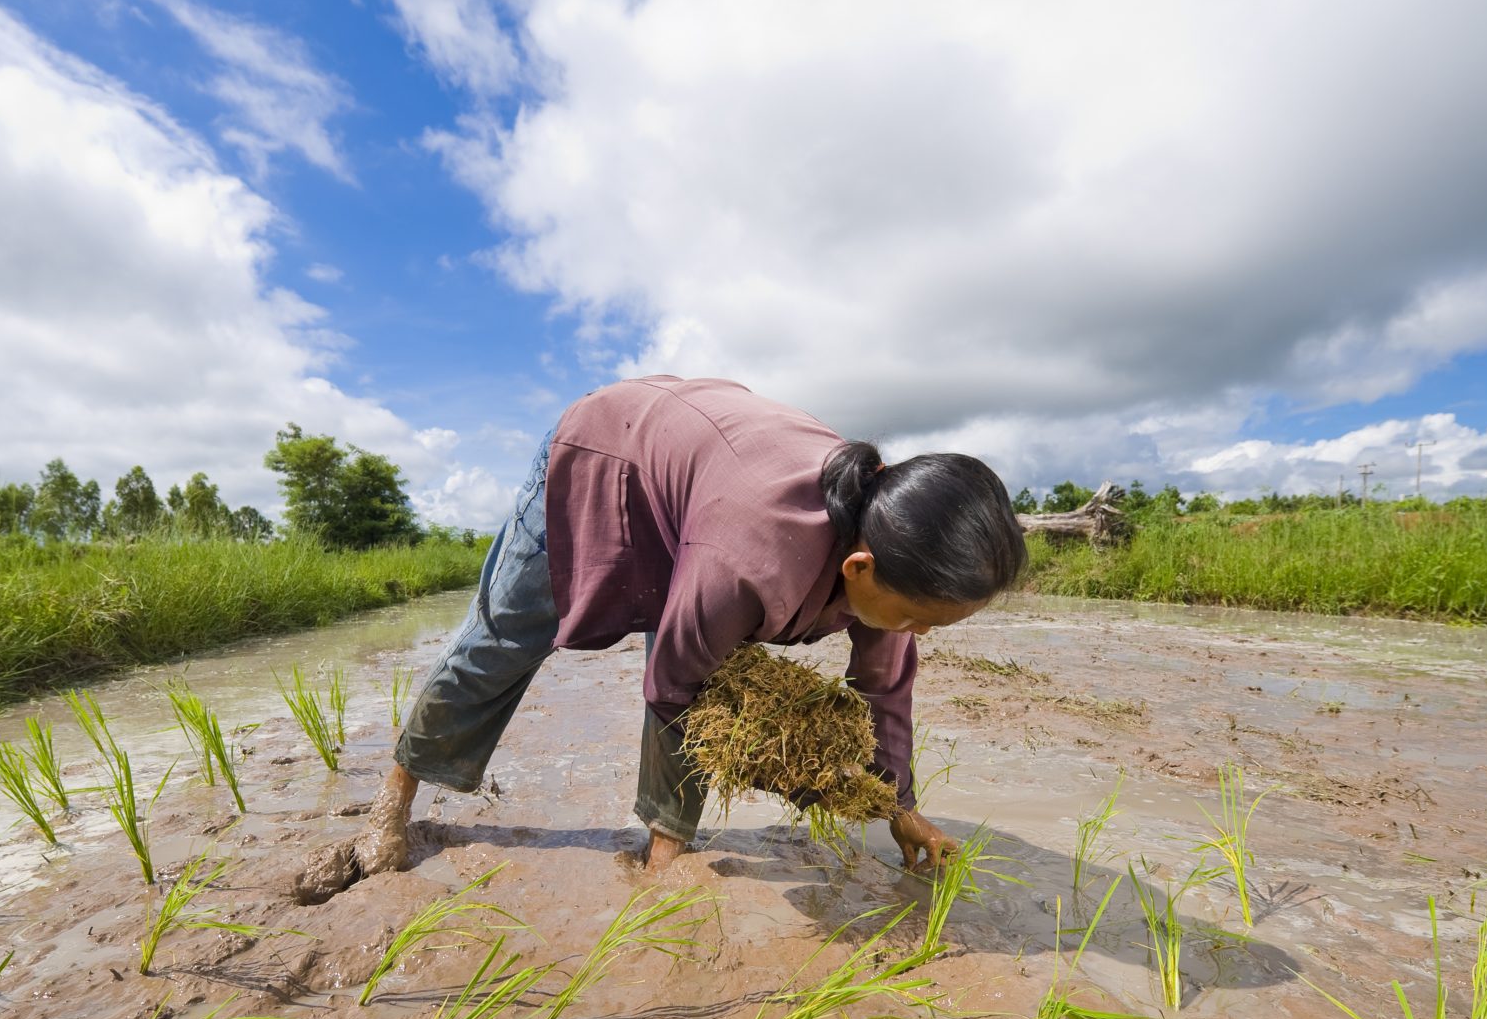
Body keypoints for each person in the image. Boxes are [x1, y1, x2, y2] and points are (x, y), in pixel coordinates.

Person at [351, 375, 1023, 875]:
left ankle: (663, 831)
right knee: (503, 638)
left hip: (699, 487)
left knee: (706, 631)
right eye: (915, 617)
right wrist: (666, 860)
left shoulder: (892, 551)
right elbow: (676, 686)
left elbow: (886, 690)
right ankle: (397, 792)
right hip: (604, 454)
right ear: (858, 566)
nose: (918, 633)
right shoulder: (747, 559)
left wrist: (897, 804)